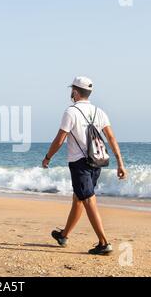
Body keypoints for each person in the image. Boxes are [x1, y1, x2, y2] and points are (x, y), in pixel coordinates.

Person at [42, 76, 128, 255]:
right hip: (97, 161)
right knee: (79, 198)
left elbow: (60, 138)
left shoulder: (71, 112)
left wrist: (48, 157)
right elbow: (111, 138)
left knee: (88, 199)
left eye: (71, 90)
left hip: (79, 163)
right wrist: (120, 162)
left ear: (75, 91)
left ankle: (103, 243)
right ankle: (63, 235)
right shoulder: (100, 112)